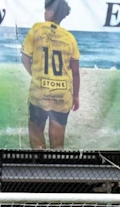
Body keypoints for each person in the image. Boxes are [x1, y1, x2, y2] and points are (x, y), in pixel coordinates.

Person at [21, 0, 80, 149]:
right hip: (62, 94)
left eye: (46, 9)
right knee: (58, 145)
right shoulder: (70, 38)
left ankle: (39, 167)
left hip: (40, 92)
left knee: (36, 137)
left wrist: (34, 75)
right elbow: (75, 73)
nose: (44, 12)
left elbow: (25, 58)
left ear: (51, 12)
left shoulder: (36, 29)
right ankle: (55, 168)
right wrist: (76, 96)